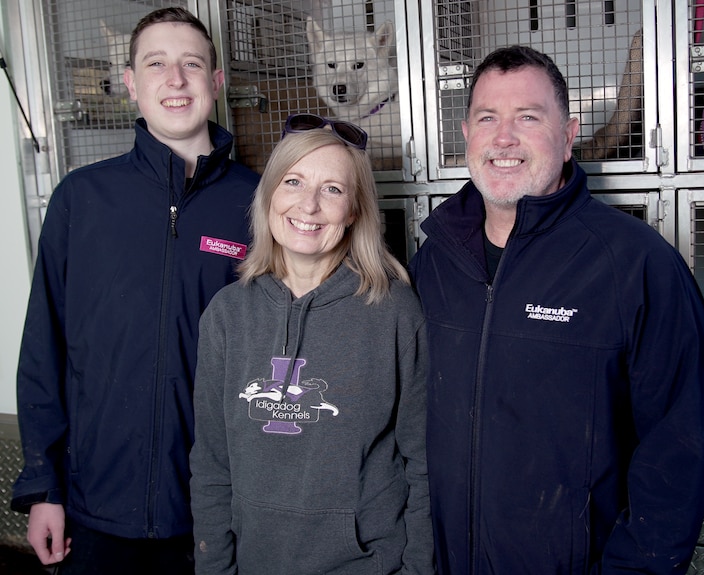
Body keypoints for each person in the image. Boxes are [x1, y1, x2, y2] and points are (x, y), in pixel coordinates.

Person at [409, 45, 704, 574]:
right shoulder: (434, 258)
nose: (503, 138)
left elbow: (677, 453)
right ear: (465, 133)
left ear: (570, 134)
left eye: (527, 117)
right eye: (488, 118)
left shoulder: (637, 265)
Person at [11, 7, 260, 574]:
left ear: (216, 83)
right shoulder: (81, 200)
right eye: (156, 64)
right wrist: (43, 486)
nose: (175, 80)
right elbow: (43, 350)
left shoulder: (263, 203)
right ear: (130, 83)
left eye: (192, 64)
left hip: (220, 514)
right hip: (93, 512)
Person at [189, 114, 434, 574]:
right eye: (294, 181)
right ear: (268, 196)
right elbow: (211, 462)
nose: (309, 205)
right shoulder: (226, 314)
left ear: (356, 210)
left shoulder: (395, 312)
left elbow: (421, 463)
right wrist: (214, 567)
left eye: (333, 190)